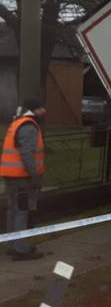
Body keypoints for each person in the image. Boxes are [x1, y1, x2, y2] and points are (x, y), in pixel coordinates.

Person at [1, 99, 47, 261]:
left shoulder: (18, 122)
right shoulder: (28, 126)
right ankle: (21, 249)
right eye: (42, 108)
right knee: (21, 211)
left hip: (11, 175)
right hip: (22, 177)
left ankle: (13, 245)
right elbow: (27, 154)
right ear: (35, 109)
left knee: (13, 210)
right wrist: (34, 176)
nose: (44, 111)